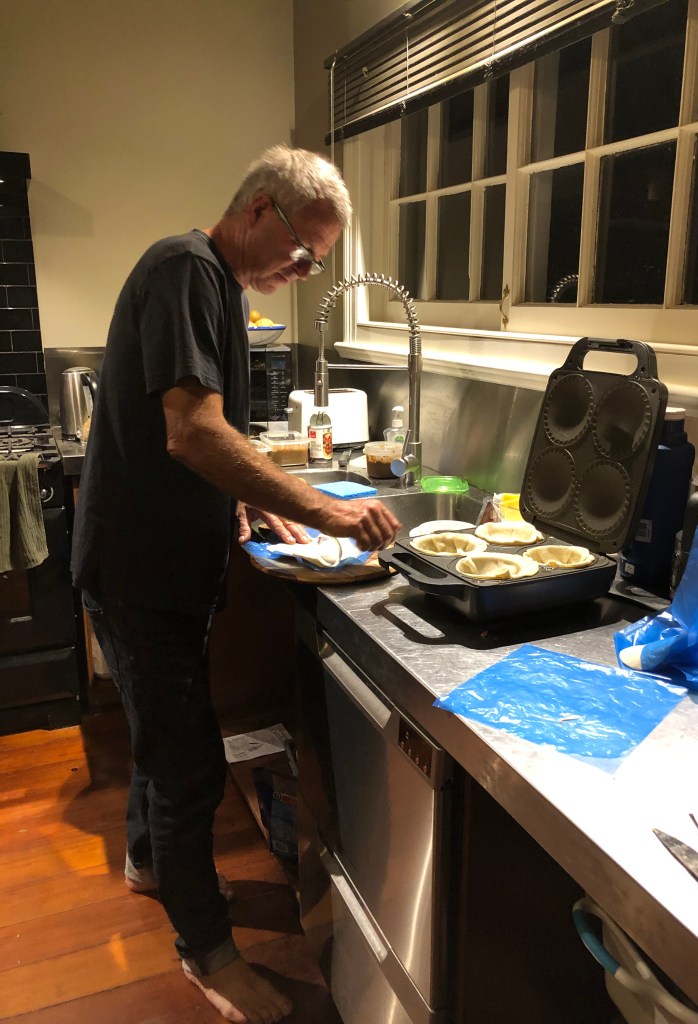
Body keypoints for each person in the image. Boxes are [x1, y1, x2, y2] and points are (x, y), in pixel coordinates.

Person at [71, 144, 401, 1024]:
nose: (304, 271)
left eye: (317, 262)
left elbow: (197, 439)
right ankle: (208, 954)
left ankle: (150, 862)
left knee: (162, 735)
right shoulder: (186, 268)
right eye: (303, 250)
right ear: (258, 209)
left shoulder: (216, 286)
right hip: (140, 575)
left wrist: (246, 503)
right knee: (189, 768)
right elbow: (191, 432)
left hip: (164, 567)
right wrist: (328, 510)